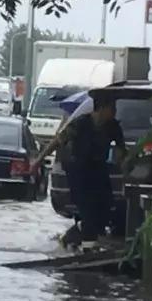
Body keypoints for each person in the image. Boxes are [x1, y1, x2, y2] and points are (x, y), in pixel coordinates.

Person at [31, 93, 126, 252]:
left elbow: (121, 150)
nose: (115, 111)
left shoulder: (113, 126)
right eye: (112, 108)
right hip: (78, 170)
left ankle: (74, 235)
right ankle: (89, 248)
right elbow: (58, 141)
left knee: (106, 207)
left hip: (99, 170)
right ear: (102, 108)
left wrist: (126, 164)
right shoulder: (81, 123)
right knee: (87, 209)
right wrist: (39, 160)